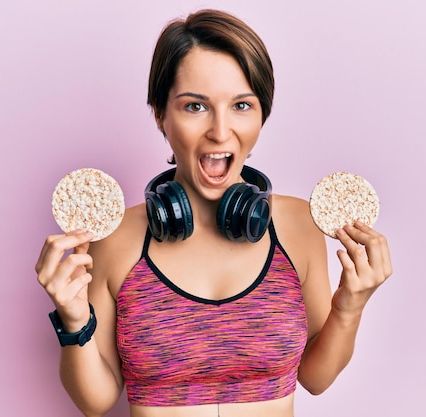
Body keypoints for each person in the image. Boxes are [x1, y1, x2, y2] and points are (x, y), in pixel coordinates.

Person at [35, 9, 392, 417]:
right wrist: (74, 318)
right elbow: (95, 402)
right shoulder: (116, 239)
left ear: (262, 114)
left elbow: (315, 377)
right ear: (160, 114)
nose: (221, 131)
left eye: (241, 105)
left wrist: (350, 305)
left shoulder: (298, 226)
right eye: (195, 107)